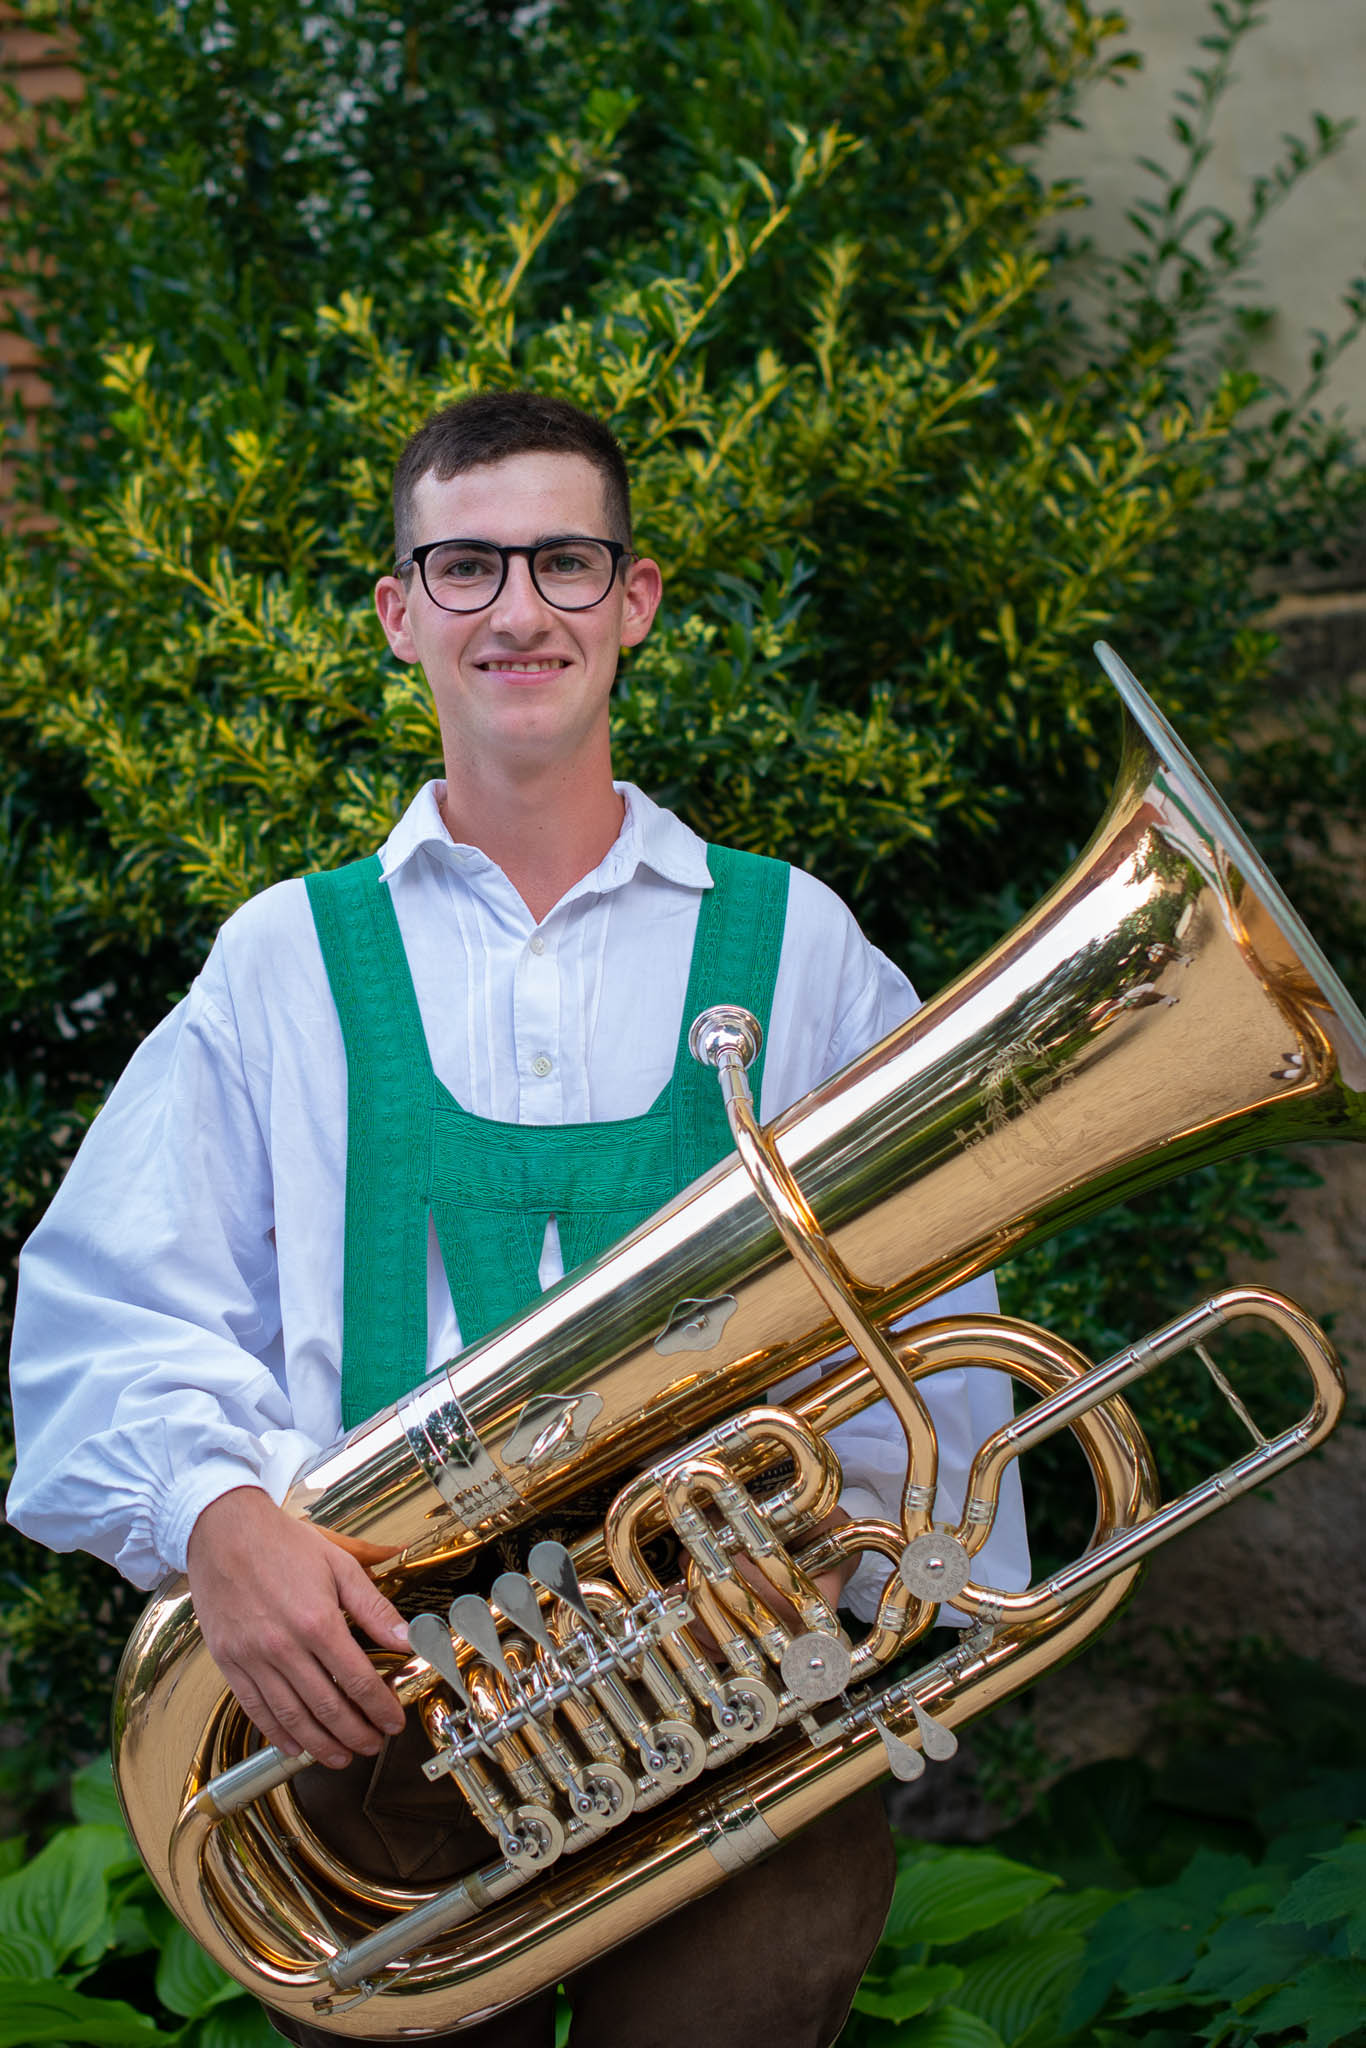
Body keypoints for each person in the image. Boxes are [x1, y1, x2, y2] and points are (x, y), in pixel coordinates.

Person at [8, 390, 1027, 2048]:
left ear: (634, 601)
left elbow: (934, 1308)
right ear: (398, 612)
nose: (519, 608)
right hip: (373, 1726)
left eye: (565, 562)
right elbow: (105, 1307)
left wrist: (848, 1584)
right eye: (465, 567)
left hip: (734, 1700)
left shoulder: (798, 943)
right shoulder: (284, 959)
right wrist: (215, 1517)